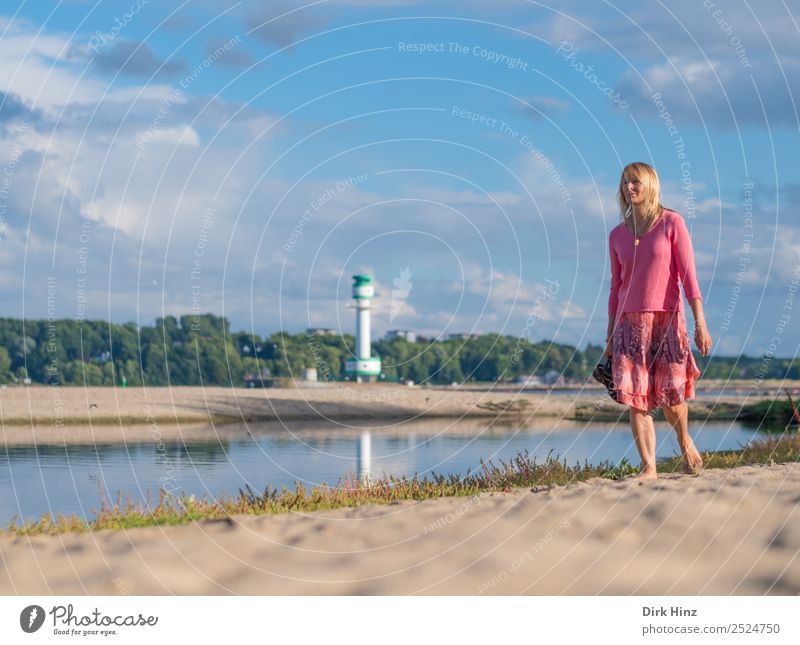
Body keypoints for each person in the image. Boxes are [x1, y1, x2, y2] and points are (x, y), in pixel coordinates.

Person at [603, 162, 712, 479]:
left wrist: (700, 323)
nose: (629, 187)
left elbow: (689, 277)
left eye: (635, 181)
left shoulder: (671, 223)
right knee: (638, 398)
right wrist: (610, 336)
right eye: (624, 182)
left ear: (650, 184)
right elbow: (615, 287)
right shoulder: (616, 235)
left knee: (671, 394)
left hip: (667, 320)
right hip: (628, 324)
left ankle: (683, 436)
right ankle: (649, 468)